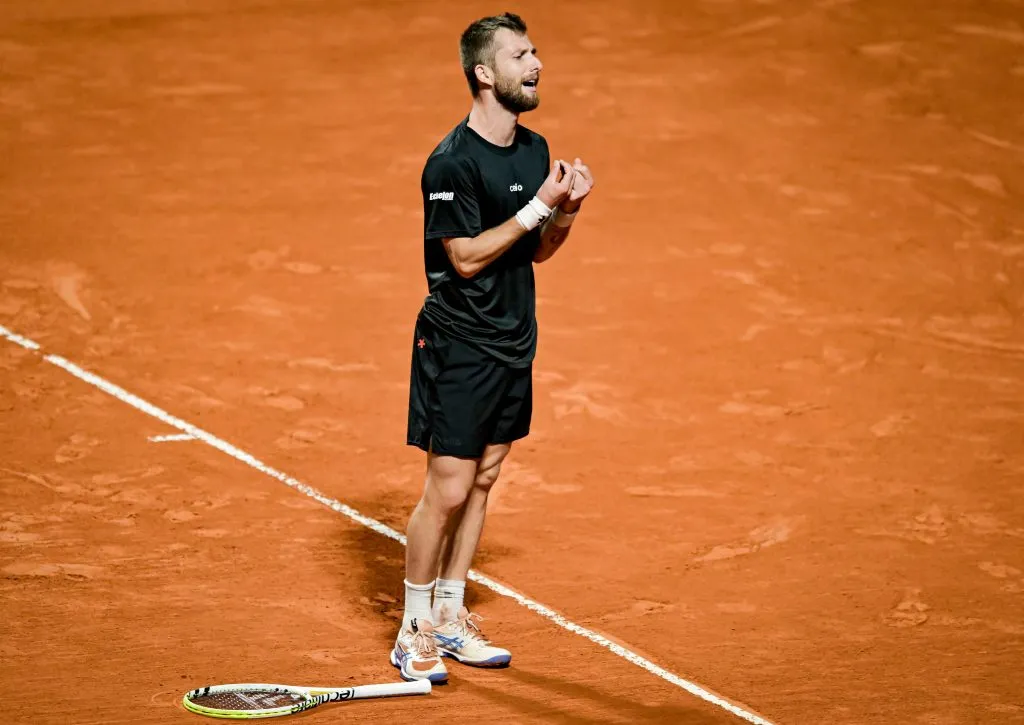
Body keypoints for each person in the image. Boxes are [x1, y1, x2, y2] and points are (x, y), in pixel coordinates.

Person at [389, 12, 595, 684]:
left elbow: (536, 252)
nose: (535, 63)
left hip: (513, 339)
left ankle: (450, 613)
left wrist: (565, 211)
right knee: (447, 487)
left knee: (483, 477)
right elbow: (467, 257)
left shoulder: (535, 149)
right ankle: (413, 625)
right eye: (518, 55)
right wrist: (540, 205)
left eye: (535, 52)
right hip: (458, 342)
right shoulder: (450, 162)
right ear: (484, 73)